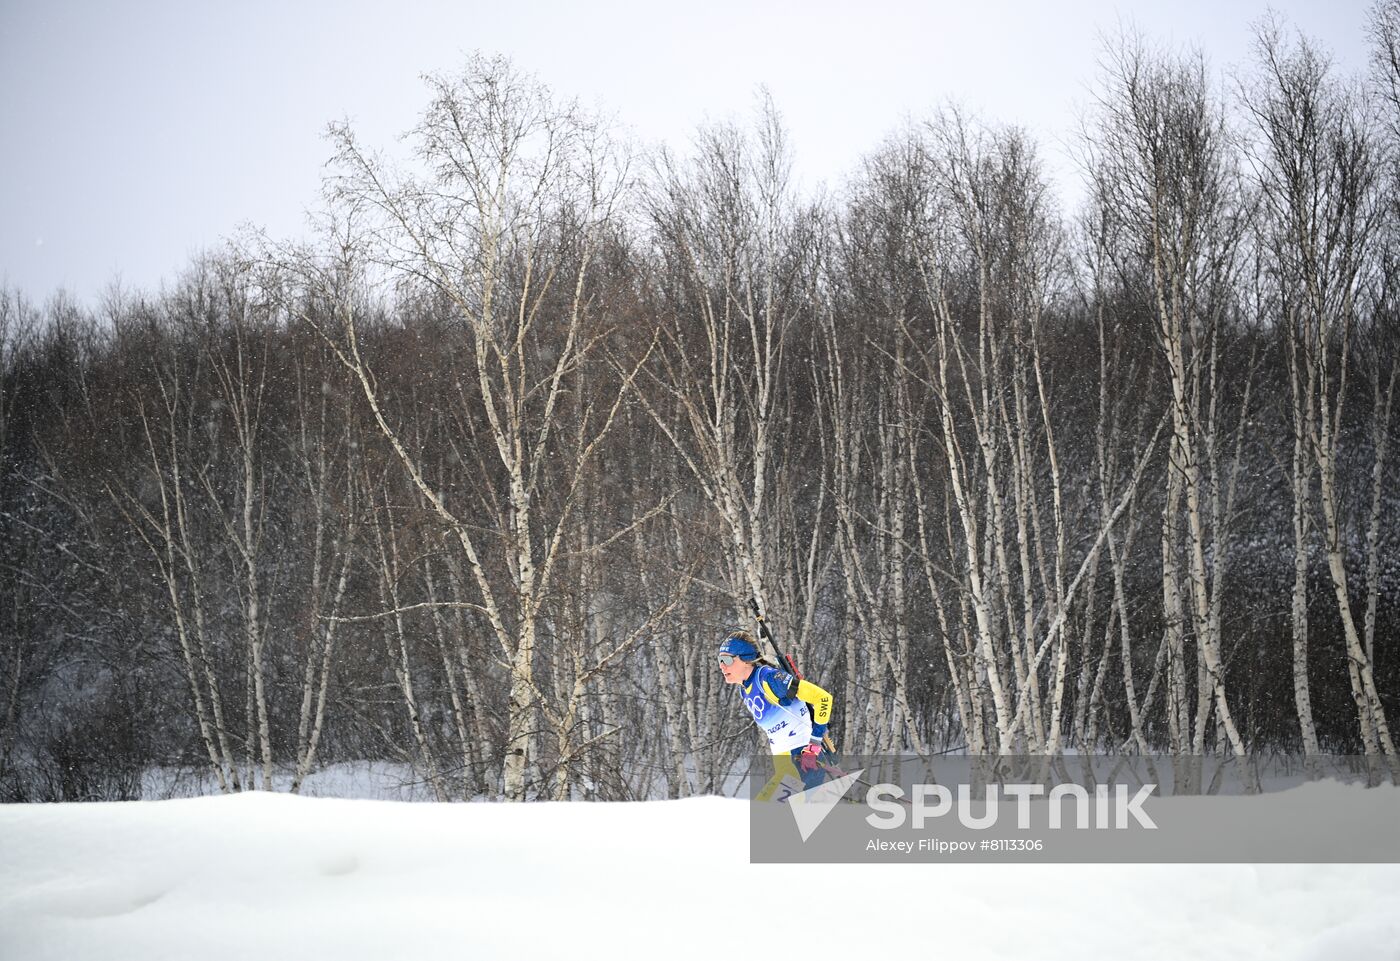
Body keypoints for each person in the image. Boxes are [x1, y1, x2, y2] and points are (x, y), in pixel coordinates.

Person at [718, 630, 835, 801]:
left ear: (746, 660)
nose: (722, 665)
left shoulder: (769, 679)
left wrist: (815, 743)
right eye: (720, 660)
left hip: (803, 760)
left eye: (727, 660)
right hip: (786, 765)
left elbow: (823, 698)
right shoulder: (745, 690)